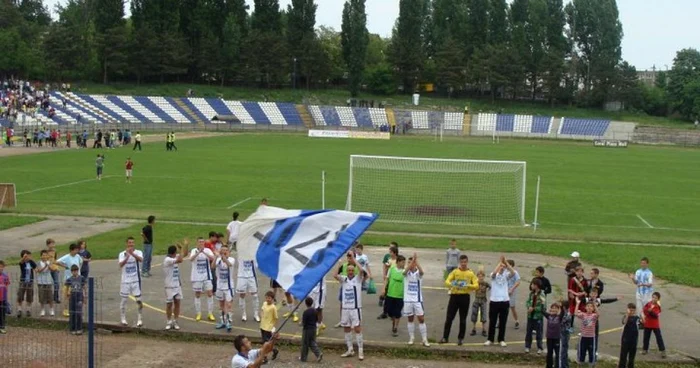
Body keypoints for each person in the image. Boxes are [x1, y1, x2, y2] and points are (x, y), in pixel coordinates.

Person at [440, 254, 479, 345]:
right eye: (462, 262)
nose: (463, 264)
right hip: (454, 297)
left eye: (465, 262)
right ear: (459, 262)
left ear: (467, 262)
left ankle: (460, 338)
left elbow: (476, 285)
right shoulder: (455, 272)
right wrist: (453, 284)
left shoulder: (470, 273)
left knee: (463, 319)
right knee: (449, 318)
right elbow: (447, 281)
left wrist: (468, 286)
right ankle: (445, 337)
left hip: (465, 297)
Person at [334, 252, 365, 361]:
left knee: (357, 329)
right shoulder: (344, 279)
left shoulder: (358, 279)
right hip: (345, 309)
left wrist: (353, 260)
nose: (351, 272)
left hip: (355, 309)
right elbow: (334, 275)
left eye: (352, 270)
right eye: (349, 270)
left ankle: (360, 351)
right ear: (346, 271)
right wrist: (339, 263)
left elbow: (361, 270)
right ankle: (350, 349)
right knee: (346, 329)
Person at [485, 255, 516, 347]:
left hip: (504, 301)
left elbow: (513, 272)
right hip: (494, 301)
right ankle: (490, 339)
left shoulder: (506, 276)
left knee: (503, 321)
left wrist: (506, 263)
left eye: (504, 267)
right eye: (501, 267)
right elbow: (494, 273)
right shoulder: (493, 275)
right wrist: (500, 263)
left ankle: (501, 339)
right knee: (492, 321)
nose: (502, 268)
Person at [403, 253, 429, 347]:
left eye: (411, 263)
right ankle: (411, 338)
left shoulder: (418, 273)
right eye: (408, 263)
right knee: (410, 319)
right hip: (408, 300)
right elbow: (404, 272)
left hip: (417, 300)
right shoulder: (406, 273)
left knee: (421, 319)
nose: (409, 264)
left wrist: (415, 261)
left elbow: (422, 272)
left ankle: (424, 339)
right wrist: (412, 262)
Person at [118, 237, 144, 327]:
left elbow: (141, 260)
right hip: (125, 281)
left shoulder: (138, 252)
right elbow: (120, 265)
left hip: (135, 280)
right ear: (126, 243)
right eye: (129, 243)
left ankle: (140, 319)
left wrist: (132, 254)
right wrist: (127, 257)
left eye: (132, 242)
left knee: (139, 300)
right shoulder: (122, 254)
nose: (131, 244)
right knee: (124, 300)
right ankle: (123, 318)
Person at [189, 237, 216, 322]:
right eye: (199, 242)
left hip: (206, 275)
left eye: (202, 242)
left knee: (210, 293)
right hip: (197, 276)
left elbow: (212, 258)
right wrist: (198, 253)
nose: (201, 243)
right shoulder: (194, 250)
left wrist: (203, 252)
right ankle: (198, 313)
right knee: (197, 294)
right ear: (197, 243)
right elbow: (191, 259)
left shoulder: (207, 250)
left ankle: (210, 313)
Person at [163, 241, 187, 331]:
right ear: (173, 253)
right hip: (169, 286)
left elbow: (185, 254)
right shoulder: (167, 260)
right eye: (176, 252)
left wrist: (185, 245)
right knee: (169, 304)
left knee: (177, 303)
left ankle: (176, 321)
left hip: (177, 285)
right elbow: (180, 259)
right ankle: (169, 321)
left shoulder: (174, 257)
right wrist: (180, 249)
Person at [57, 243, 83, 317]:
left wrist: (79, 270)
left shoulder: (77, 256)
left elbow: (81, 262)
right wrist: (65, 266)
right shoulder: (67, 257)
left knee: (77, 294)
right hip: (68, 278)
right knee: (67, 295)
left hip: (77, 278)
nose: (77, 251)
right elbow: (56, 261)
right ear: (71, 250)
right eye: (75, 250)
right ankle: (65, 310)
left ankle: (75, 309)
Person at [383, 255, 406, 337]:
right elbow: (387, 279)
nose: (404, 264)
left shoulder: (404, 271)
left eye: (404, 262)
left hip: (400, 295)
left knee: (397, 312)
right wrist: (383, 289)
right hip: (390, 294)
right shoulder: (391, 269)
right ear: (398, 262)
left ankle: (395, 327)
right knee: (389, 311)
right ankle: (394, 321)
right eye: (403, 262)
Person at [215, 245, 236, 331]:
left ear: (228, 252)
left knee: (229, 304)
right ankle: (222, 321)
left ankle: (228, 322)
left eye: (226, 250)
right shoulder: (218, 260)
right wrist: (216, 257)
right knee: (221, 304)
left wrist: (223, 257)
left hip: (229, 286)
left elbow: (229, 265)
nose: (224, 252)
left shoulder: (231, 259)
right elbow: (213, 267)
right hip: (220, 286)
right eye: (222, 250)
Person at [524, 279, 546, 354]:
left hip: (538, 317)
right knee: (529, 332)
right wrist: (529, 307)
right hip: (530, 316)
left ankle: (540, 347)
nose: (531, 286)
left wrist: (534, 309)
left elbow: (543, 307)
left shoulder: (542, 295)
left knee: (539, 332)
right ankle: (527, 346)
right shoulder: (531, 294)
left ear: (536, 285)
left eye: (533, 284)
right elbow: (527, 301)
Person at [642, 291, 666, 358]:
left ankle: (662, 350)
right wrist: (647, 311)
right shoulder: (648, 304)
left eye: (656, 298)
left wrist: (651, 311)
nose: (654, 299)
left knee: (658, 337)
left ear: (658, 299)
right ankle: (645, 349)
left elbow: (656, 315)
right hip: (647, 324)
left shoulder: (658, 306)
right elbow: (644, 310)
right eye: (653, 297)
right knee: (646, 337)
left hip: (655, 324)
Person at [575, 300, 599, 366]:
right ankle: (580, 364)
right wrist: (577, 303)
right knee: (582, 352)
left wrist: (595, 305)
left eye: (591, 306)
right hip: (583, 337)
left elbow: (598, 314)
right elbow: (576, 314)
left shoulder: (594, 316)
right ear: (585, 307)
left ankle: (591, 364)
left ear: (593, 308)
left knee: (591, 353)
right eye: (588, 306)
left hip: (591, 337)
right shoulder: (583, 315)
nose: (589, 307)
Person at [237, 256, 260, 323]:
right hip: (242, 277)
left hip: (251, 276)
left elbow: (257, 264)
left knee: (255, 295)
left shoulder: (253, 255)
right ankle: (243, 314)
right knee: (242, 295)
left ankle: (256, 314)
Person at [300, 296, 323, 362]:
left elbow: (304, 322)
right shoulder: (315, 311)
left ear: (306, 303)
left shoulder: (306, 312)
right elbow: (317, 319)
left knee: (305, 344)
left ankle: (303, 358)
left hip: (307, 329)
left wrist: (300, 324)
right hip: (314, 328)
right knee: (312, 342)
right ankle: (318, 353)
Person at [259, 290, 279, 362]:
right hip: (262, 325)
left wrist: (273, 328)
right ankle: (274, 350)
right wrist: (261, 316)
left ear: (272, 299)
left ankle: (265, 357)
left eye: (269, 298)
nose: (267, 299)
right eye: (266, 298)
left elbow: (276, 318)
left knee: (266, 343)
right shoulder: (264, 303)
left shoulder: (273, 307)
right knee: (265, 342)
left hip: (268, 327)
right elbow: (262, 310)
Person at [619, 303, 640, 368]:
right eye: (630, 310)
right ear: (627, 310)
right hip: (625, 339)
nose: (631, 312)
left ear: (635, 310)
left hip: (633, 340)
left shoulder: (637, 318)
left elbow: (642, 325)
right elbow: (624, 322)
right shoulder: (625, 317)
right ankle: (622, 366)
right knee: (623, 355)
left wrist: (643, 318)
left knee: (632, 356)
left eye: (633, 310)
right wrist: (627, 315)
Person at [67, 265, 86, 335]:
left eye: (76, 271)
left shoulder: (81, 278)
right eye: (73, 271)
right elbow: (67, 288)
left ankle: (79, 328)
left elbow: (84, 287)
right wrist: (67, 295)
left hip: (79, 296)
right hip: (72, 297)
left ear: (78, 271)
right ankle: (72, 328)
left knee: (78, 313)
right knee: (72, 313)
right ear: (71, 272)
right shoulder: (69, 279)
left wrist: (85, 297)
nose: (74, 272)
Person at [17, 249, 37, 318]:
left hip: (30, 282)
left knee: (29, 296)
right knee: (20, 295)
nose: (29, 257)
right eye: (27, 256)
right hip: (23, 281)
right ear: (24, 256)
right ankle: (19, 309)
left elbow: (36, 268)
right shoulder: (22, 263)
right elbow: (20, 262)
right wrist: (23, 258)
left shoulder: (31, 262)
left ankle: (28, 310)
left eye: (29, 256)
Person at [470, 269, 490, 337]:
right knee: (474, 314)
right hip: (476, 300)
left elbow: (490, 287)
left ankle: (484, 330)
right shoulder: (475, 283)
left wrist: (487, 289)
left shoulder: (485, 283)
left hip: (483, 300)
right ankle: (473, 329)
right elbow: (471, 286)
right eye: (479, 276)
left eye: (482, 276)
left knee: (483, 315)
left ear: (484, 277)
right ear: (477, 277)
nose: (480, 277)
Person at [36, 250, 55, 316]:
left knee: (50, 297)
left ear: (47, 256)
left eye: (45, 255)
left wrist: (48, 265)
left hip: (48, 282)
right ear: (41, 256)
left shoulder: (49, 262)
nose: (44, 256)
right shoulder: (38, 262)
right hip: (41, 282)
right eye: (43, 255)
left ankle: (51, 309)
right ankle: (42, 310)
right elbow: (39, 270)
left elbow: (53, 269)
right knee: (41, 297)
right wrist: (45, 266)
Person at [545, 303, 562, 368]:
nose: (554, 309)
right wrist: (542, 303)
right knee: (549, 353)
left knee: (557, 353)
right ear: (550, 309)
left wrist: (561, 306)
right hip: (549, 337)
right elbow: (542, 311)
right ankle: (549, 365)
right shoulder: (548, 316)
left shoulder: (559, 317)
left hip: (556, 338)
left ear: (558, 310)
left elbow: (563, 313)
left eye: (556, 308)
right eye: (553, 308)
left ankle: (557, 366)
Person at [506, 259, 521, 329]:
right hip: (504, 292)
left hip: (511, 291)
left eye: (507, 264)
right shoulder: (505, 272)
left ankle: (516, 321)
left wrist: (512, 289)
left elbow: (518, 282)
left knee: (512, 307)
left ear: (511, 265)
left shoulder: (515, 272)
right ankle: (499, 322)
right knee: (502, 307)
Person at [46, 239, 61, 305]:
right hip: (48, 269)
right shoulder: (45, 252)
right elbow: (45, 261)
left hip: (55, 269)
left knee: (56, 283)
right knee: (48, 284)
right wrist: (49, 267)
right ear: (48, 245)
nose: (53, 245)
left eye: (53, 244)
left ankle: (56, 297)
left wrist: (57, 267)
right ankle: (48, 298)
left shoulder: (55, 251)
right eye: (51, 244)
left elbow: (55, 260)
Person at [560, 300, 573, 368]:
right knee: (564, 349)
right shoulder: (567, 312)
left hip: (564, 333)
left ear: (564, 307)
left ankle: (563, 365)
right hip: (565, 332)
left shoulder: (567, 314)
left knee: (563, 350)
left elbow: (561, 322)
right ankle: (565, 364)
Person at [0, 260, 8, 334]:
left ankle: (2, 327)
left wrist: (6, 297)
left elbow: (6, 286)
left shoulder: (5, 276)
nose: (0, 268)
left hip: (3, 298)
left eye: (2, 267)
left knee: (2, 313)